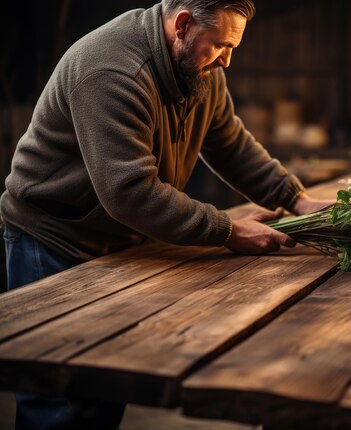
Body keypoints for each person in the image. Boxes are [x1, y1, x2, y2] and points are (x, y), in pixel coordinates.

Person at [0, 0, 333, 428]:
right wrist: (228, 230)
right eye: (221, 45)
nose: (227, 60)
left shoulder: (199, 68)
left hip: (121, 240)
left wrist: (296, 199)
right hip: (54, 239)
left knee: (103, 385)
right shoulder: (111, 71)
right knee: (61, 403)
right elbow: (130, 192)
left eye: (233, 47)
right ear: (181, 25)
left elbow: (231, 144)